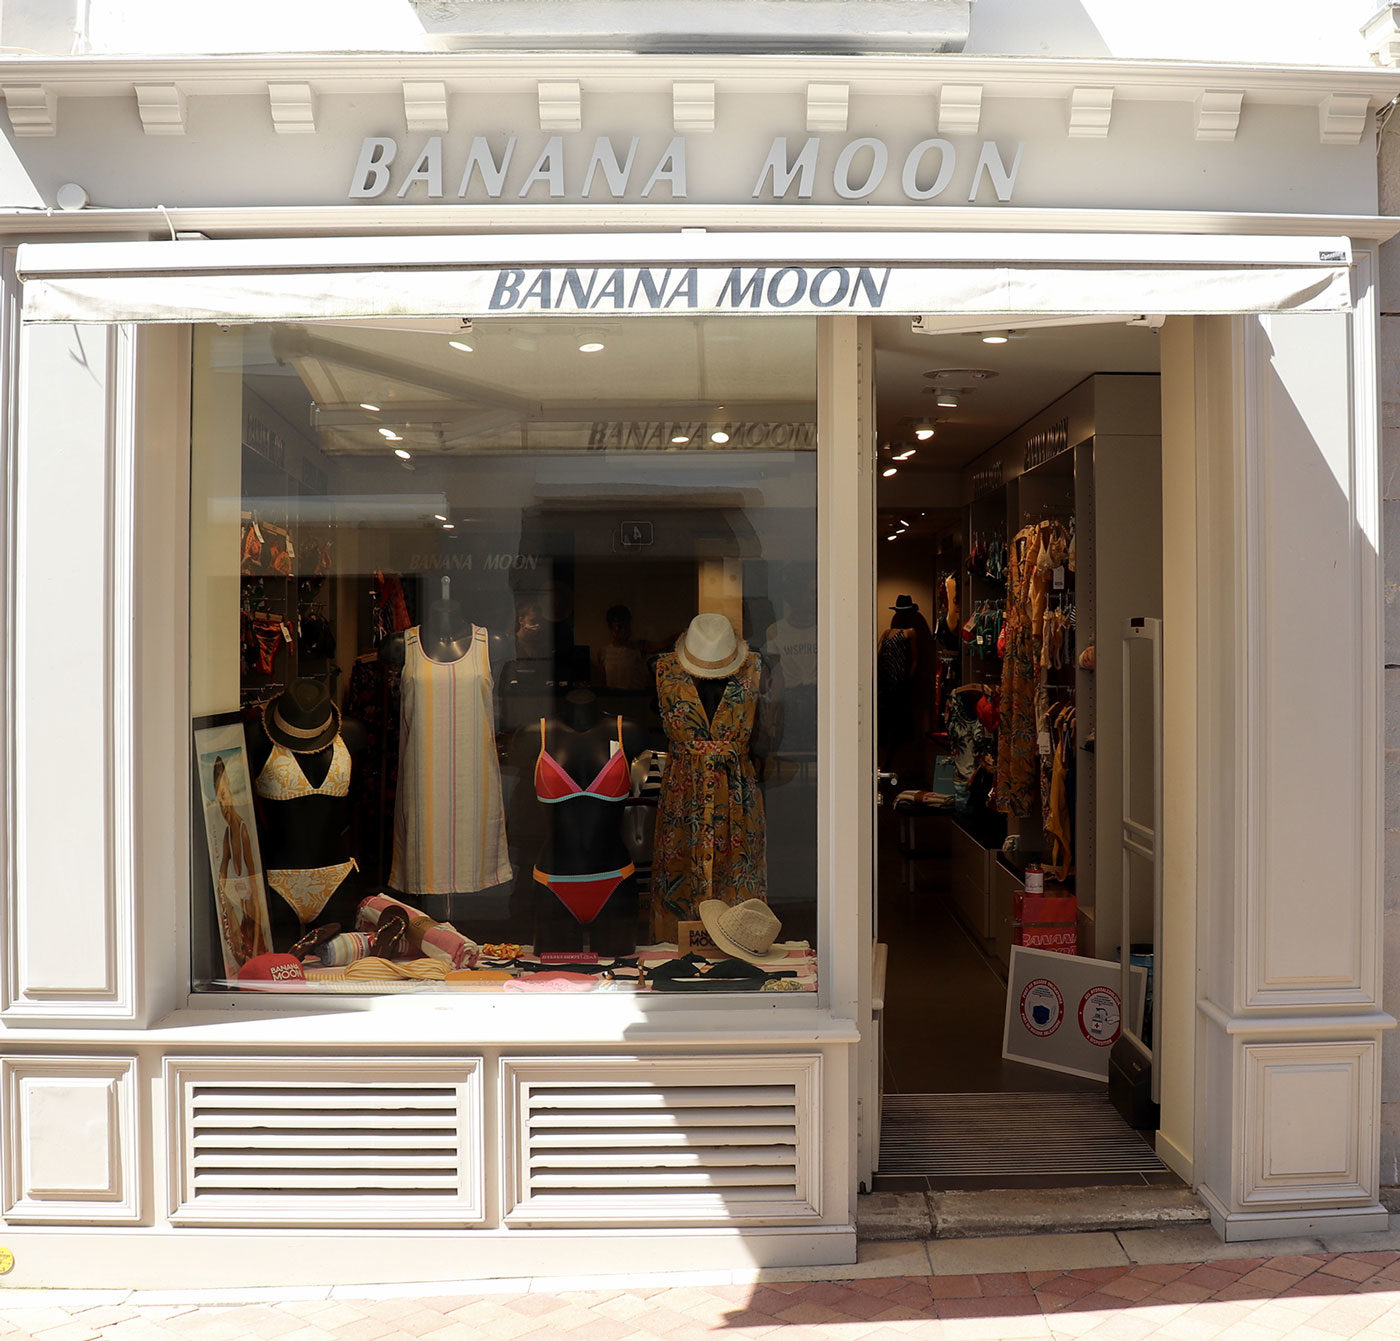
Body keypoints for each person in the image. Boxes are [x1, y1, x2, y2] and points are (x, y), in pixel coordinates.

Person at [597, 603, 649, 691]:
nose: (624, 630)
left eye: (627, 626)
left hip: (636, 698)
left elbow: (663, 645)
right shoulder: (603, 652)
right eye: (620, 626)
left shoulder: (639, 646)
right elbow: (603, 684)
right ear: (610, 627)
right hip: (614, 698)